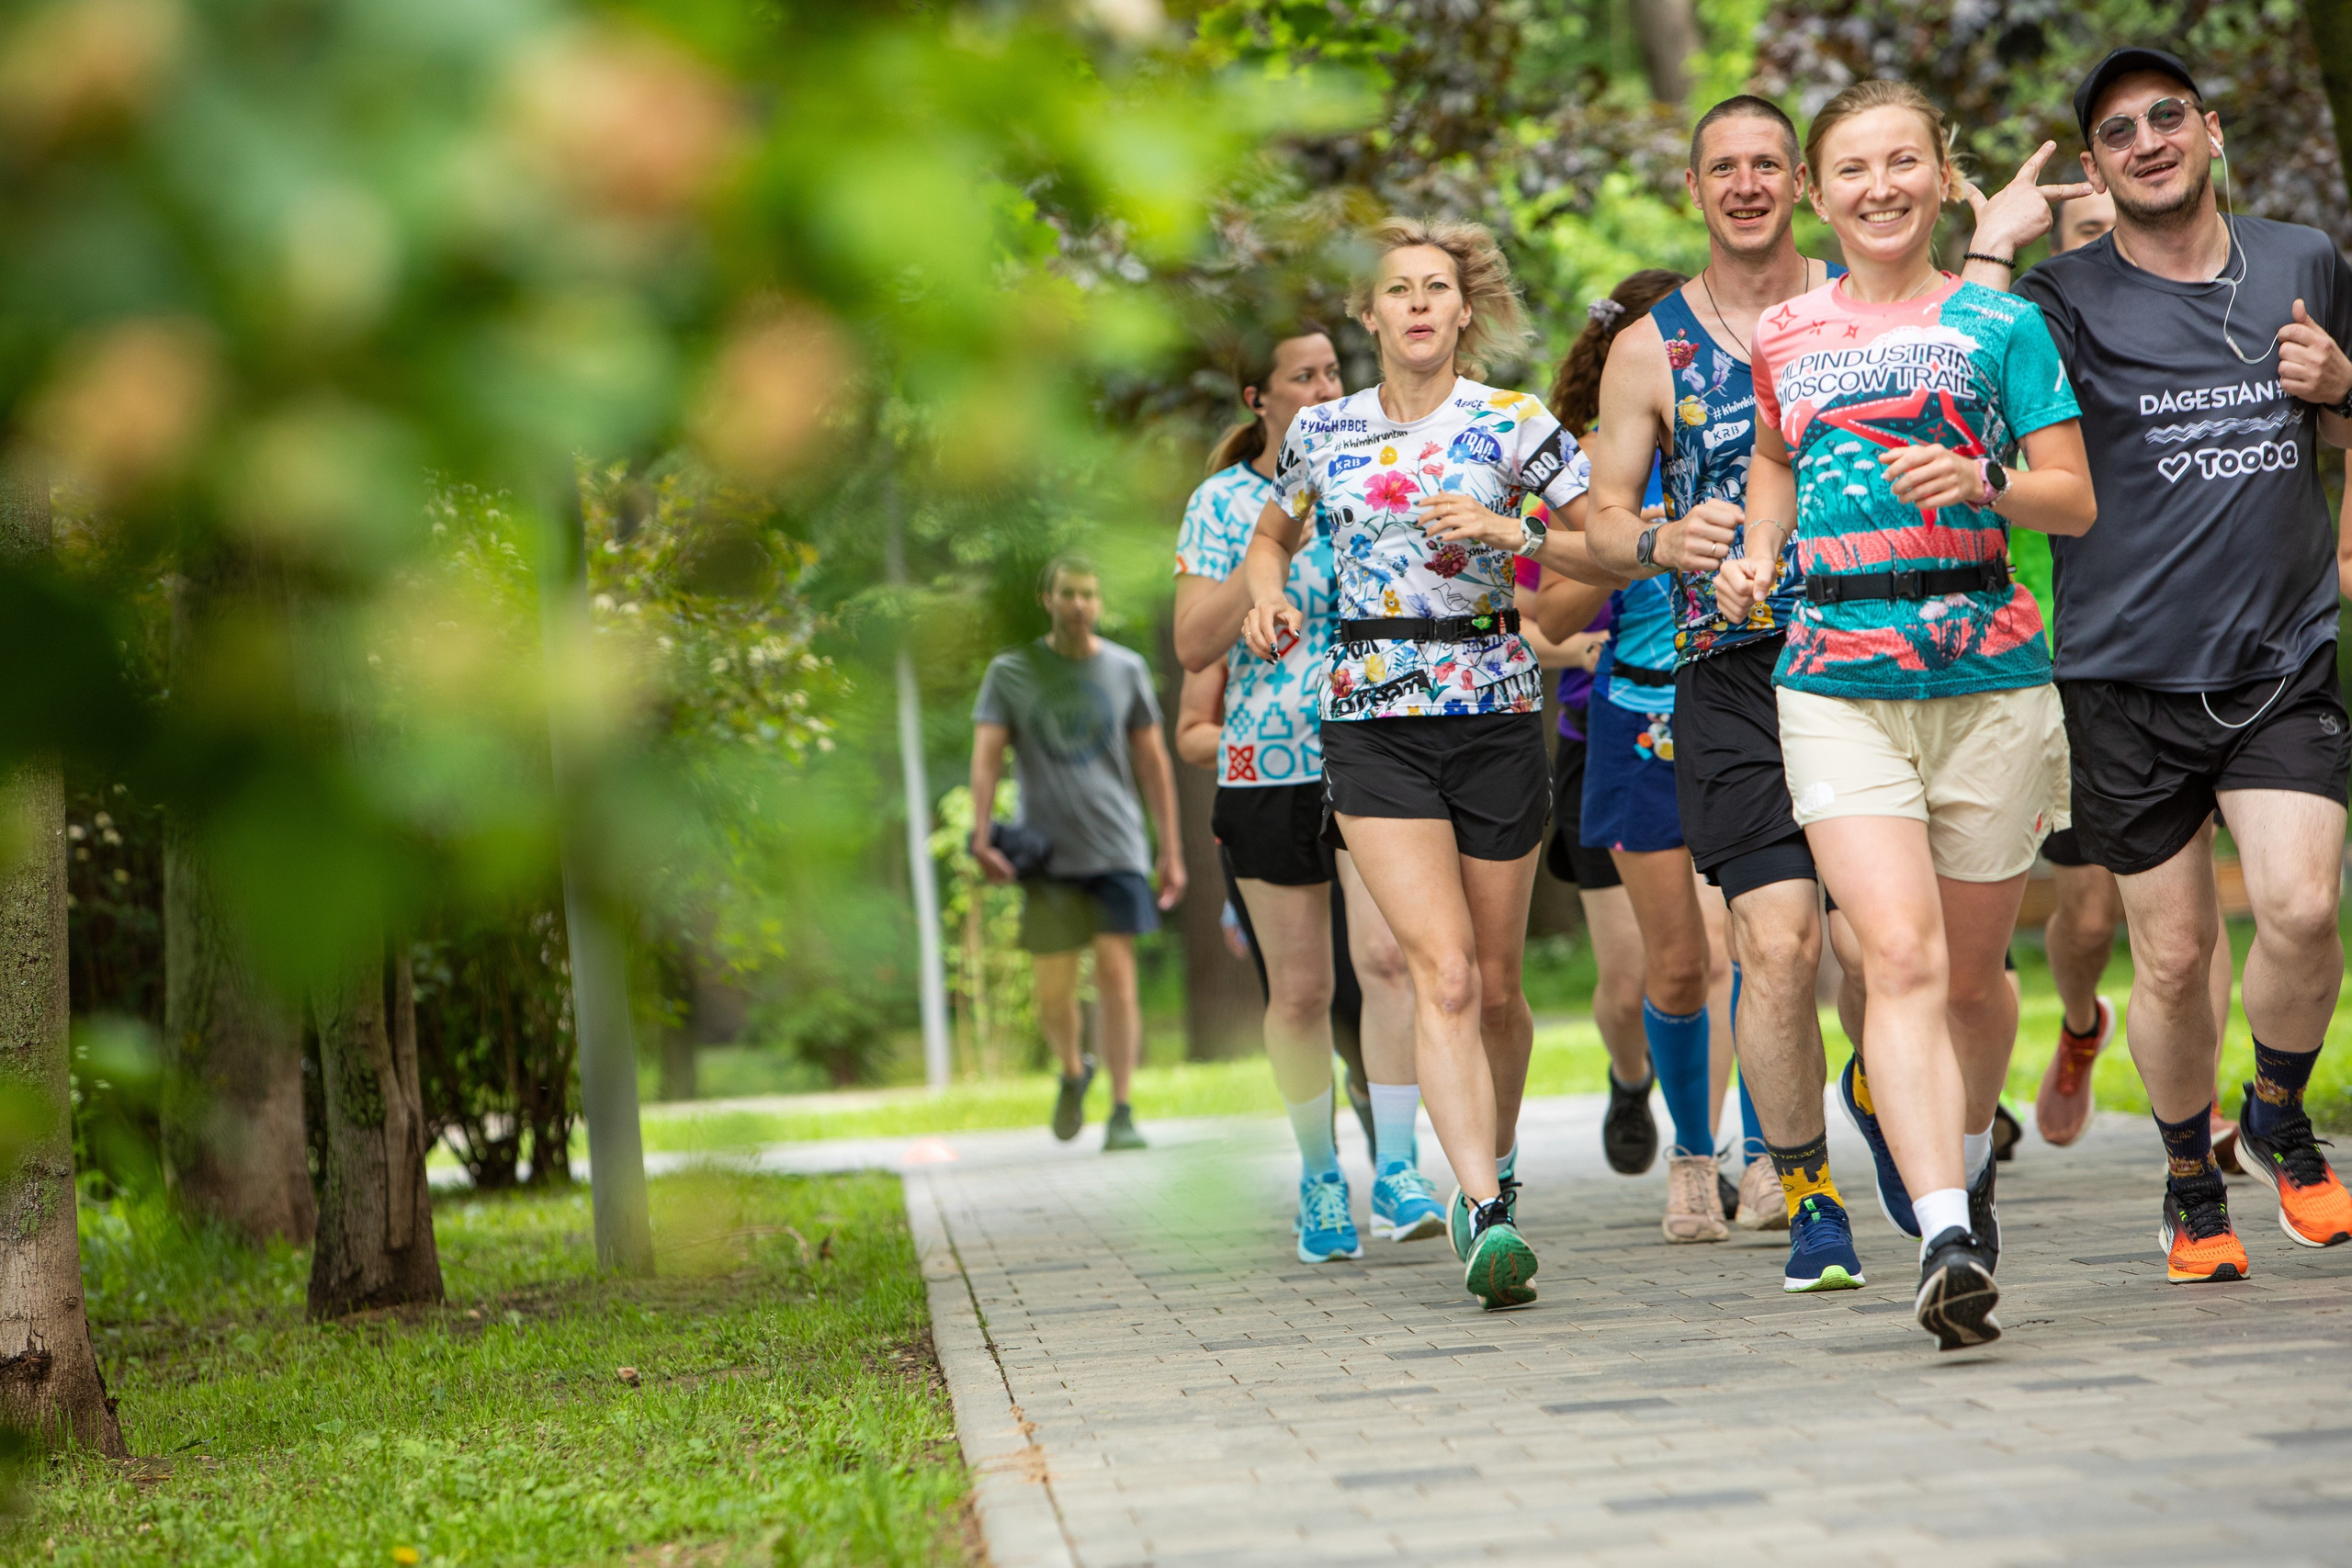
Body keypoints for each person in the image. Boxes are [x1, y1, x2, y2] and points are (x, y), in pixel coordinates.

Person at [1720, 79, 2098, 1349]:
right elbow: (1775, 452)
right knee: (1899, 956)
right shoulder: (1786, 331)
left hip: (1988, 679)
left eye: (1903, 163)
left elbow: (2072, 499)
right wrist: (1759, 550)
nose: (1877, 187)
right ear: (1819, 197)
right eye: (1851, 169)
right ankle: (1943, 1227)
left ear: (1944, 177)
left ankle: (1963, 1160)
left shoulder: (2001, 323)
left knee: (1979, 977)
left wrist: (1987, 481)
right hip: (1836, 679)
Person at [2013, 46, 2352, 1280]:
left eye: (2168, 117)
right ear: (2097, 168)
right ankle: (2186, 1175)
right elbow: (1962, 387)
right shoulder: (2058, 296)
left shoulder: (2306, 257)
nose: (2148, 139)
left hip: (2278, 653)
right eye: (2118, 130)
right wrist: (1995, 247)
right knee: (2167, 957)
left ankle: (2275, 1107)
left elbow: (2347, 413)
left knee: (2306, 905)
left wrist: (2346, 384)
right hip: (2123, 670)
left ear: (2209, 133)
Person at [1239, 218, 1594, 1310]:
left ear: (1462, 306)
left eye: (1438, 288)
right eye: (1399, 291)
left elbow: (1601, 540)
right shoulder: (1324, 433)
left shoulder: (1513, 422)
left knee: (1493, 989)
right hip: (1368, 720)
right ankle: (1480, 1215)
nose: (1420, 307)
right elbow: (1270, 534)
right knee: (1438, 972)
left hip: (1489, 711)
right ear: (1371, 314)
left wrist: (1511, 533)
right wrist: (1262, 595)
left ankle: (1499, 1165)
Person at [1171, 329, 1435, 1261]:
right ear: (1258, 397)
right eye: (1305, 375)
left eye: (1334, 371)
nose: (1327, 386)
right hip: (1265, 769)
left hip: (1374, 748)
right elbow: (1193, 647)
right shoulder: (1219, 503)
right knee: (1302, 991)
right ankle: (1321, 1179)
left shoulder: (1366, 472)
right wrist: (1264, 545)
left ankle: (1399, 1173)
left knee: (1391, 962)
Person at [2009, 184, 2237, 1161]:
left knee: (2188, 904)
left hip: (2193, 653)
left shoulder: (2196, 342)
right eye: (2092, 236)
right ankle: (2078, 1025)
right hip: (2062, 655)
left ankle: (2209, 1102)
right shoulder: (2031, 356)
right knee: (2089, 911)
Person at [1540, 269, 1746, 1246]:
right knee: (1670, 967)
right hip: (1631, 721)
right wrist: (1637, 540)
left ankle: (1767, 1151)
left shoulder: (1747, 433)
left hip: (1738, 704)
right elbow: (1551, 609)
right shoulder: (1591, 468)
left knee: (1748, 947)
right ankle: (1691, 1152)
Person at [971, 557, 1187, 1152]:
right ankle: (1072, 1070)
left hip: (1117, 845)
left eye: (1088, 594)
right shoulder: (1011, 673)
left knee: (1118, 976)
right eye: (1068, 593)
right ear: (1048, 598)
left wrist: (1169, 848)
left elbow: (1153, 762)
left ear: (1098, 601)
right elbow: (987, 757)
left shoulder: (1125, 669)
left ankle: (1122, 1108)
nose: (1078, 605)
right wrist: (980, 833)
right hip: (1047, 855)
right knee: (1053, 989)